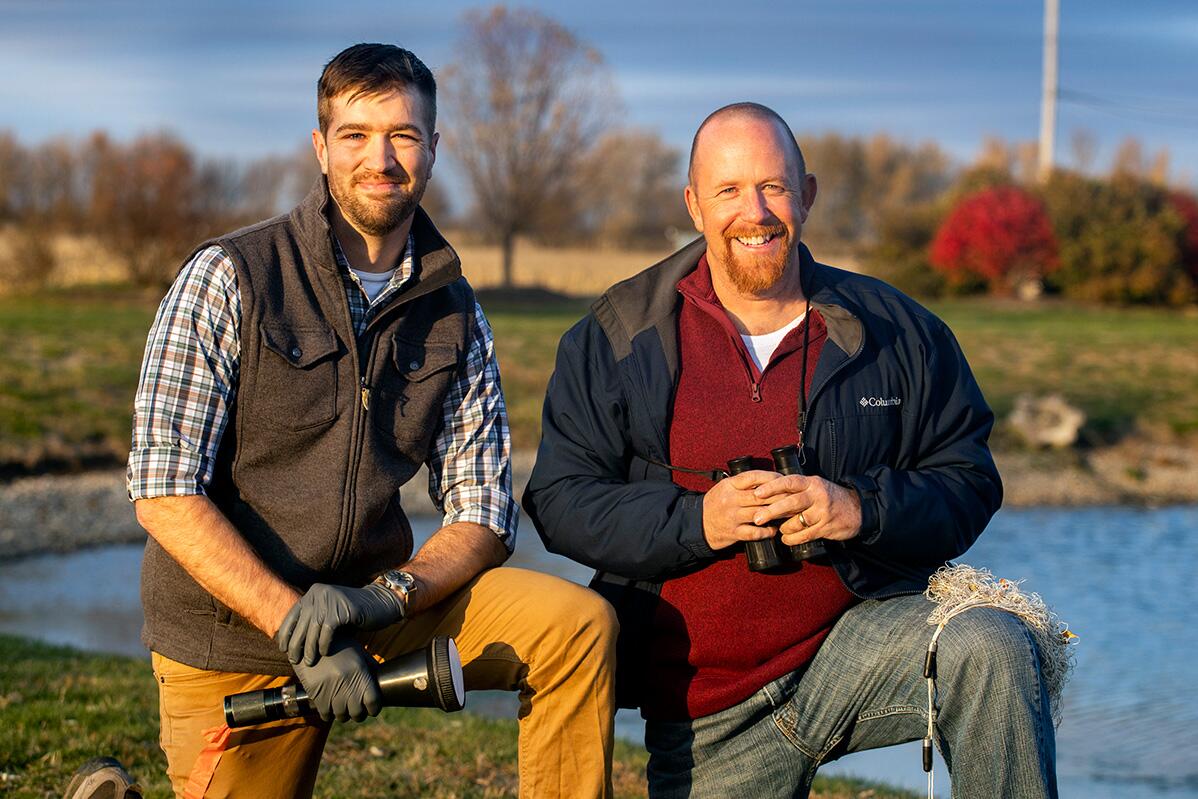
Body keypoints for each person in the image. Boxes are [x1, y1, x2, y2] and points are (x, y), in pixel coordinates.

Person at [94, 43, 616, 799]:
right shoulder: (229, 274)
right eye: (356, 134)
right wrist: (290, 622)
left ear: (434, 148)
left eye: (404, 135)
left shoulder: (455, 309)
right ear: (321, 146)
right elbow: (164, 489)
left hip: (378, 604)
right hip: (238, 631)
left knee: (576, 625)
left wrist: (386, 596)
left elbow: (486, 509)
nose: (382, 158)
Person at [523, 102, 1058, 797]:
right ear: (694, 205)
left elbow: (968, 478)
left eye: (774, 187)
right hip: (706, 707)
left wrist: (857, 509)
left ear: (806, 194)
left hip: (855, 647)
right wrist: (700, 521)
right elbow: (561, 501)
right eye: (729, 190)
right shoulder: (618, 334)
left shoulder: (898, 331)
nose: (756, 211)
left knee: (990, 645)